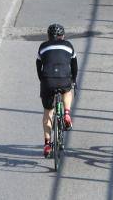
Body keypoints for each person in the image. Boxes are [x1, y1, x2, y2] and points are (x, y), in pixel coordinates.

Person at [37, 23, 77, 158]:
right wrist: (74, 81)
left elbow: (38, 67)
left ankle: (47, 144)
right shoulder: (69, 45)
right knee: (67, 91)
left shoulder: (42, 46)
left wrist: (43, 81)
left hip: (48, 80)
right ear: (63, 36)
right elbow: (74, 65)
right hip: (64, 78)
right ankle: (66, 113)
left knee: (48, 112)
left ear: (48, 36)